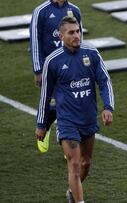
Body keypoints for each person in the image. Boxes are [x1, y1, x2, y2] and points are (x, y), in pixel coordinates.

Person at [35, 16, 114, 203]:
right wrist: (41, 124)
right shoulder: (53, 61)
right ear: (61, 36)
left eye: (78, 31)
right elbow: (45, 95)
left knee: (87, 163)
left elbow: (104, 81)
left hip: (88, 119)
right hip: (67, 121)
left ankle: (72, 192)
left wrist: (108, 107)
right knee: (75, 163)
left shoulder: (92, 53)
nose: (77, 35)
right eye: (71, 33)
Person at [30, 0, 83, 153]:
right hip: (50, 67)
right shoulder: (41, 11)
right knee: (52, 104)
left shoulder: (75, 10)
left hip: (70, 64)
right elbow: (35, 41)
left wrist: (79, 62)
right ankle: (45, 127)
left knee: (71, 101)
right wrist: (38, 69)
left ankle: (66, 138)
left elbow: (80, 38)